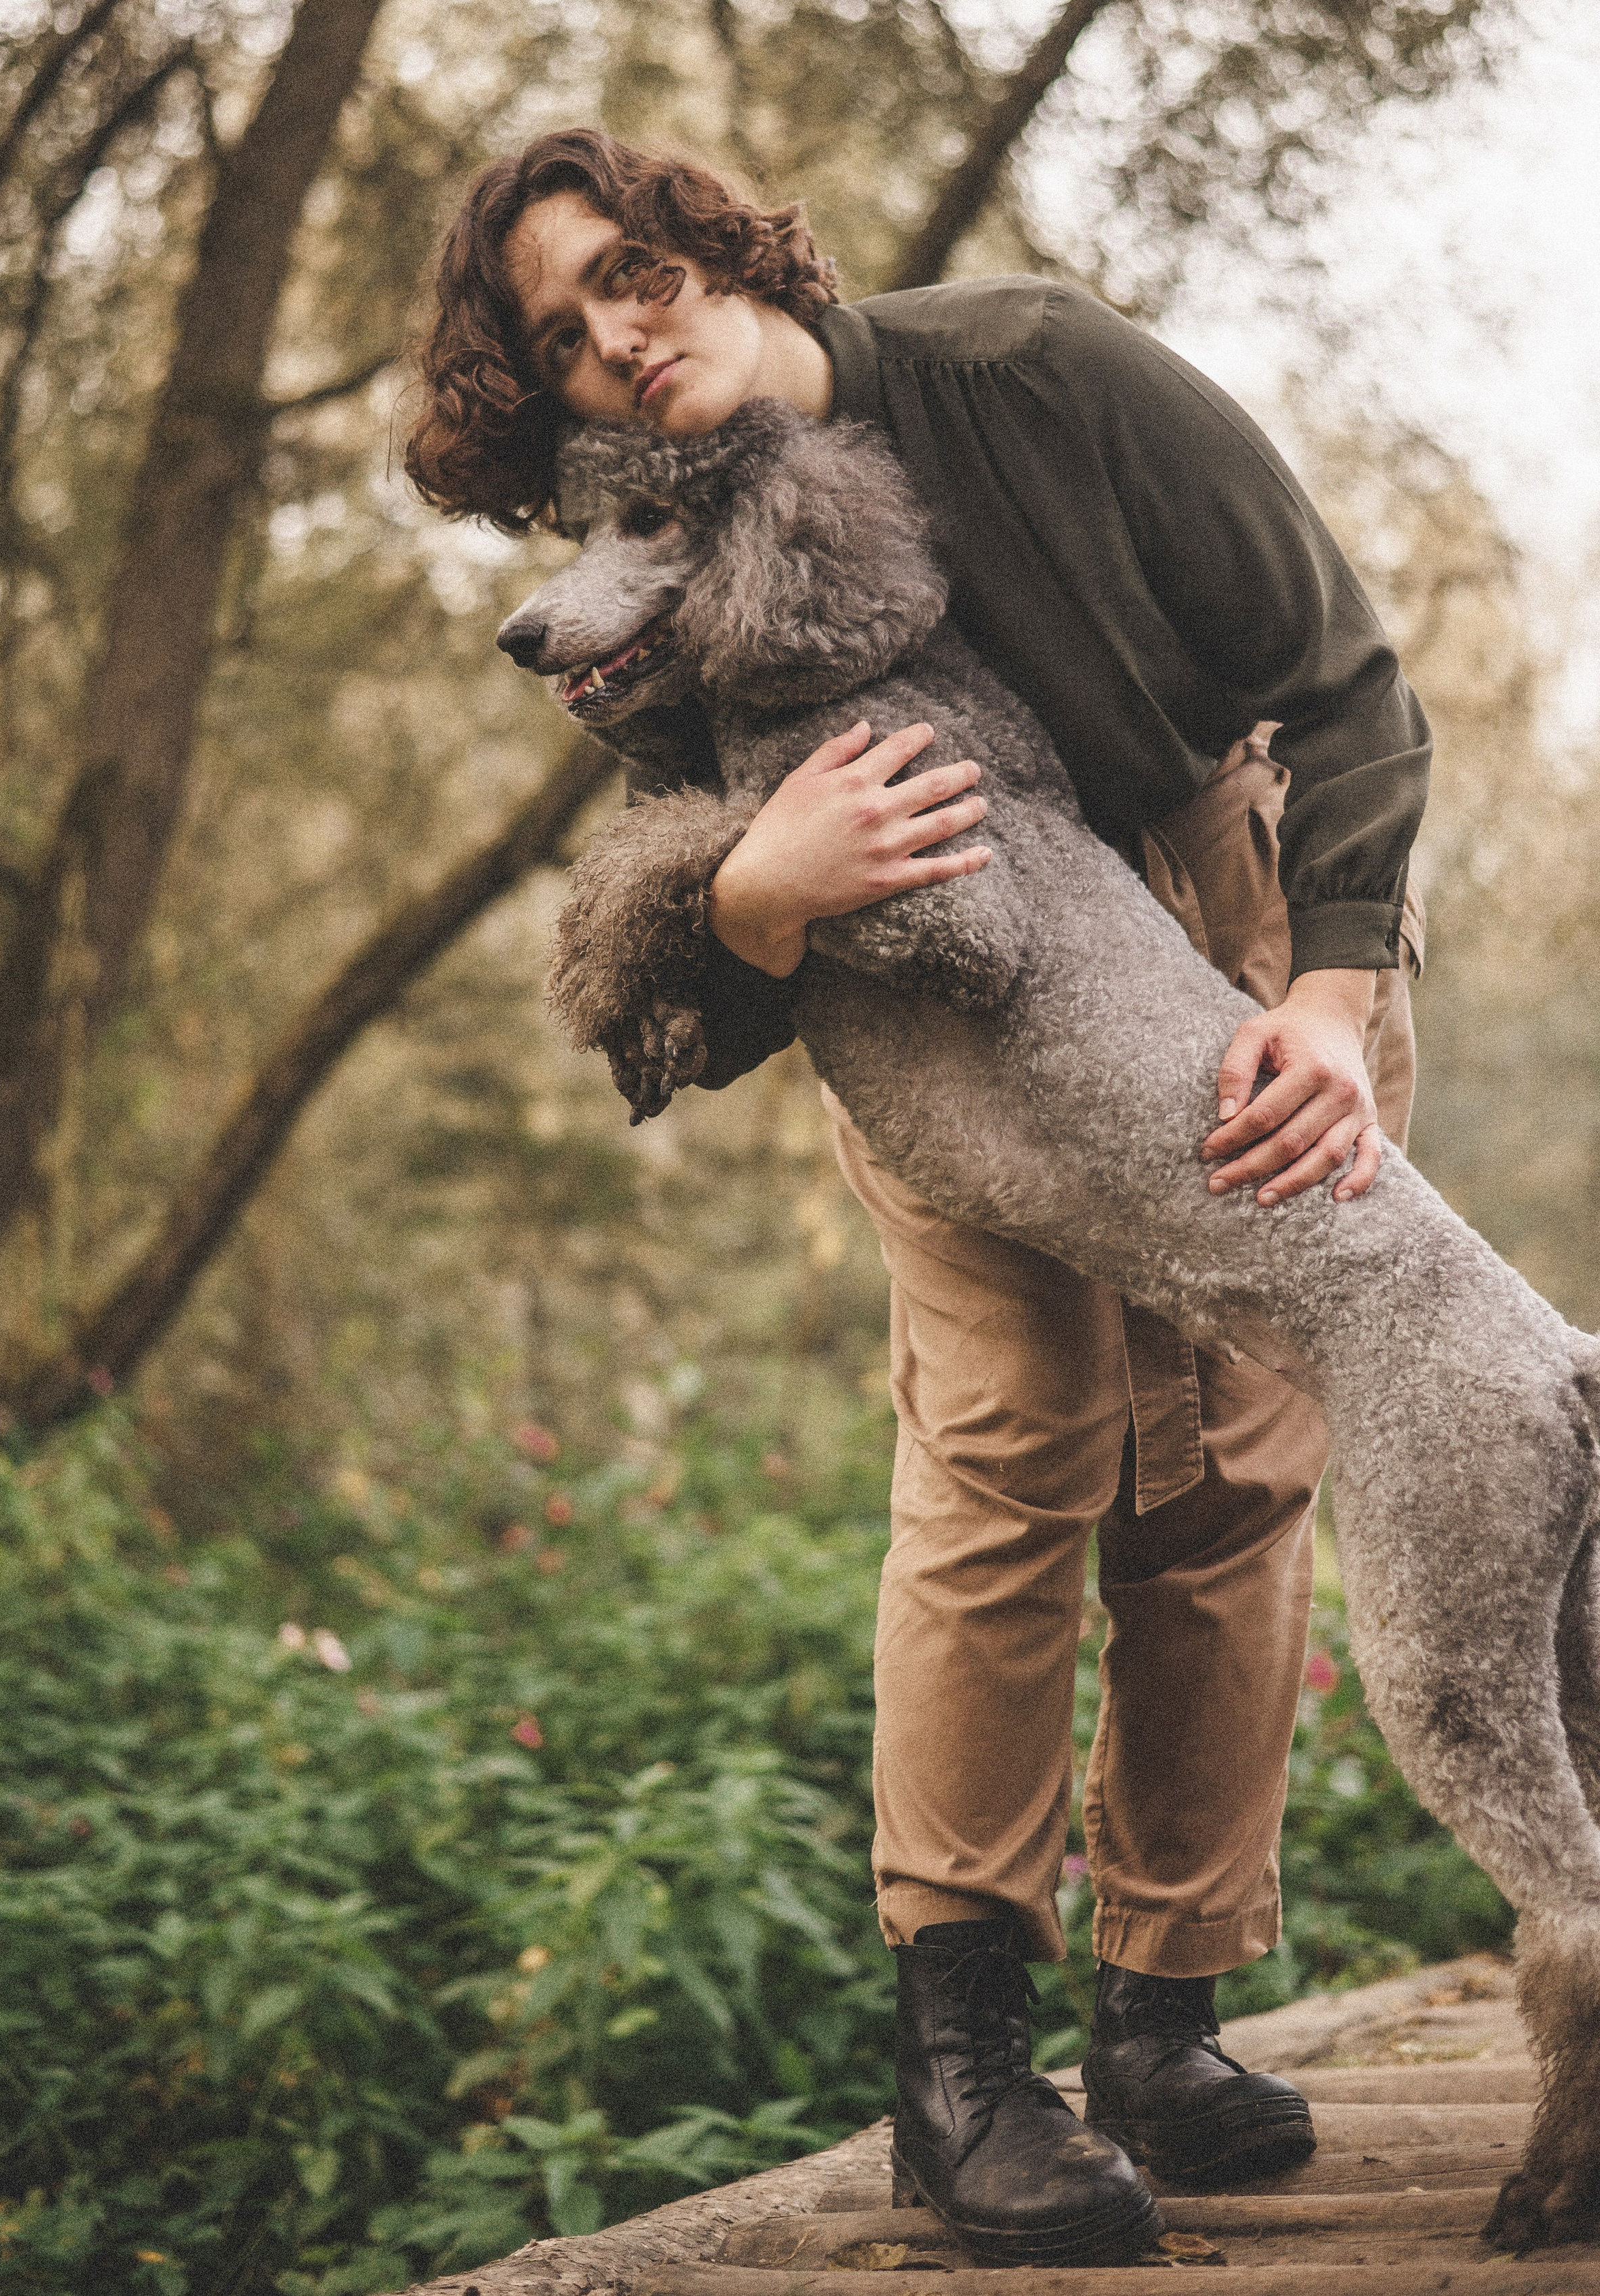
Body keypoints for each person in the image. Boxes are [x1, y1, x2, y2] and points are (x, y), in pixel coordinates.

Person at [405, 129, 1429, 2263]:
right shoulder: (658, 570)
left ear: (713, 239)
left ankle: (1165, 2015)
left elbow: (1345, 678)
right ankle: (961, 2068)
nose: (619, 338)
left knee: (1238, 1461)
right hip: (926, 990)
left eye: (630, 274)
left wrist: (1328, 995)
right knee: (1009, 1442)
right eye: (566, 337)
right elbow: (690, 973)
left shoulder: (1036, 366)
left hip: (1234, 916)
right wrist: (757, 896)